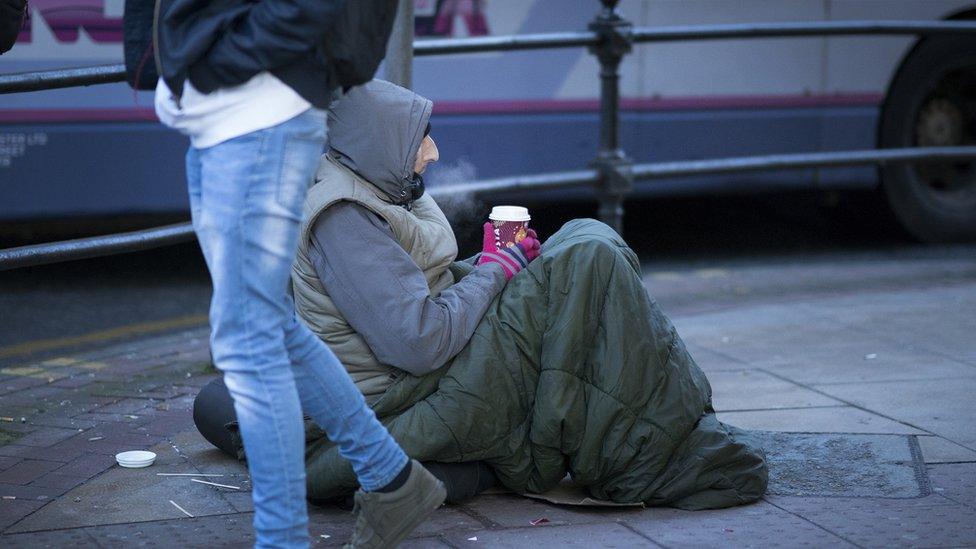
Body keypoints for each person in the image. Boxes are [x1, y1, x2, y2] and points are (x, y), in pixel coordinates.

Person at [196, 79, 768, 510]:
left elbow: (417, 293)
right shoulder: (344, 218)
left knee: (581, 247)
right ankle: (648, 449)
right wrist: (497, 269)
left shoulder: (372, 187)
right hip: (409, 386)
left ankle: (661, 423)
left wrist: (492, 266)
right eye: (421, 139)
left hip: (431, 362)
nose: (433, 152)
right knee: (589, 253)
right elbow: (417, 343)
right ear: (383, 145)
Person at [152, 3, 445, 548]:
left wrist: (215, 64)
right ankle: (391, 478)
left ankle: (284, 539)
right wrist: (176, 65)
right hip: (224, 108)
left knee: (247, 338)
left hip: (254, 108)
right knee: (263, 324)